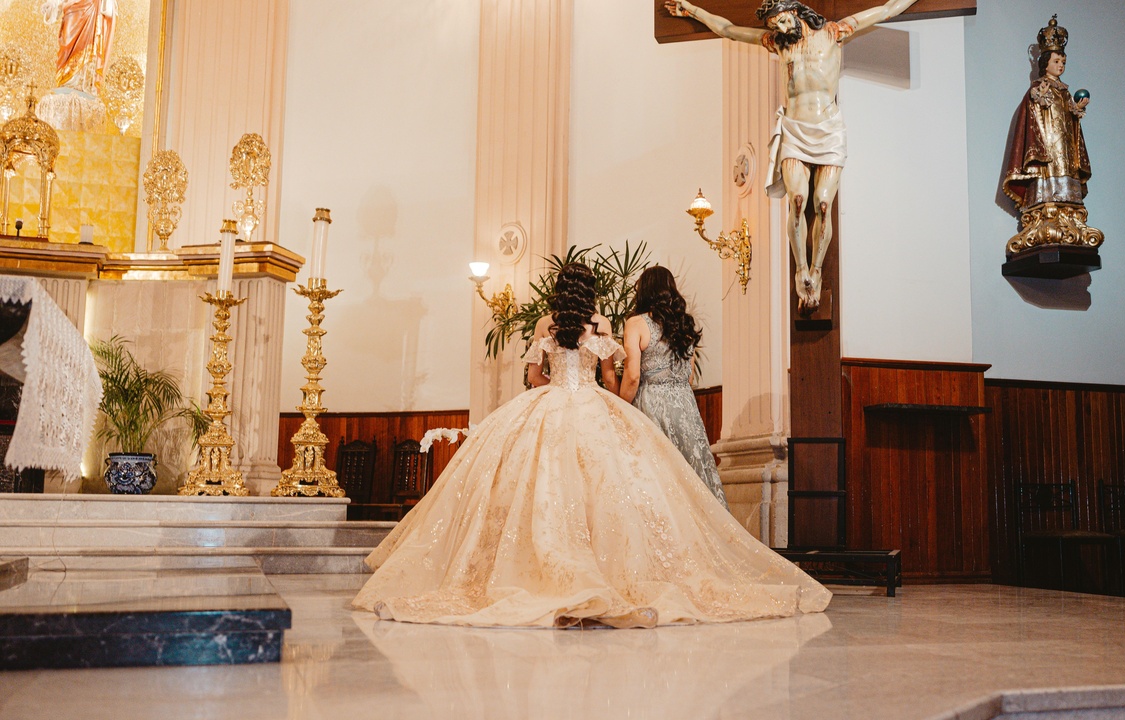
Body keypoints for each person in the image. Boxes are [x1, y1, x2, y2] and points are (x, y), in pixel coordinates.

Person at [353, 263, 830, 628]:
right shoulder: (601, 327)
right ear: (591, 292)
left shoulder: (545, 324)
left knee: (542, 488)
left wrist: (551, 383)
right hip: (593, 406)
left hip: (549, 404)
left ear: (560, 291)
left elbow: (534, 376)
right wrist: (609, 402)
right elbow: (610, 378)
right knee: (608, 488)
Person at [665, 0, 919, 312]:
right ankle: (802, 270)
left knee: (823, 205)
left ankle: (817, 269)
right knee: (797, 202)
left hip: (828, 130)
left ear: (795, 12)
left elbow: (886, 10)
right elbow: (729, 30)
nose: (780, 30)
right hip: (795, 131)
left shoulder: (834, 32)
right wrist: (692, 9)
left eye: (782, 22)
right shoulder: (778, 44)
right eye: (775, 27)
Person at [620, 266, 727, 509]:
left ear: (643, 290)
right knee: (691, 472)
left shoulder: (636, 323)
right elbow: (689, 377)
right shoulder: (685, 324)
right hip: (684, 406)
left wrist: (619, 406)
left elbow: (633, 376)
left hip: (651, 405)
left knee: (656, 474)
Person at [1001, 15, 1102, 254]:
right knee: (1049, 170)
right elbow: (1032, 109)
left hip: (1064, 146)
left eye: (1063, 61)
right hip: (1047, 144)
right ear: (1045, 62)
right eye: (1057, 60)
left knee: (1067, 168)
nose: (1061, 65)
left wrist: (1078, 109)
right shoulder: (1039, 87)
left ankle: (1068, 204)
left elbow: (1071, 120)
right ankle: (1045, 203)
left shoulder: (1065, 92)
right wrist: (1039, 97)